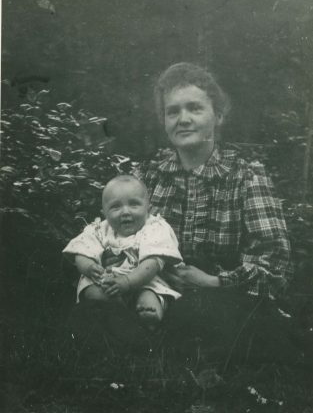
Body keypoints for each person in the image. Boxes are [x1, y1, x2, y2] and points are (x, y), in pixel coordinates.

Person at [135, 62, 295, 364]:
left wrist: (211, 281)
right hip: (154, 290)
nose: (183, 119)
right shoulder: (147, 176)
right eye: (173, 111)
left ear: (217, 116)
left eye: (195, 108)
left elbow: (274, 264)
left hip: (223, 296)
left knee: (235, 331)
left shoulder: (245, 175)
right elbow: (118, 238)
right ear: (164, 120)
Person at [63, 174, 183, 330]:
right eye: (115, 207)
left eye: (134, 204)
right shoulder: (99, 229)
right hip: (107, 281)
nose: (125, 211)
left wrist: (127, 282)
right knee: (92, 292)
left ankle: (149, 316)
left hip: (144, 279)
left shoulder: (155, 227)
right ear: (104, 212)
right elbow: (81, 250)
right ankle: (117, 311)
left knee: (150, 294)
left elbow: (152, 263)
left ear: (148, 207)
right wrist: (89, 266)